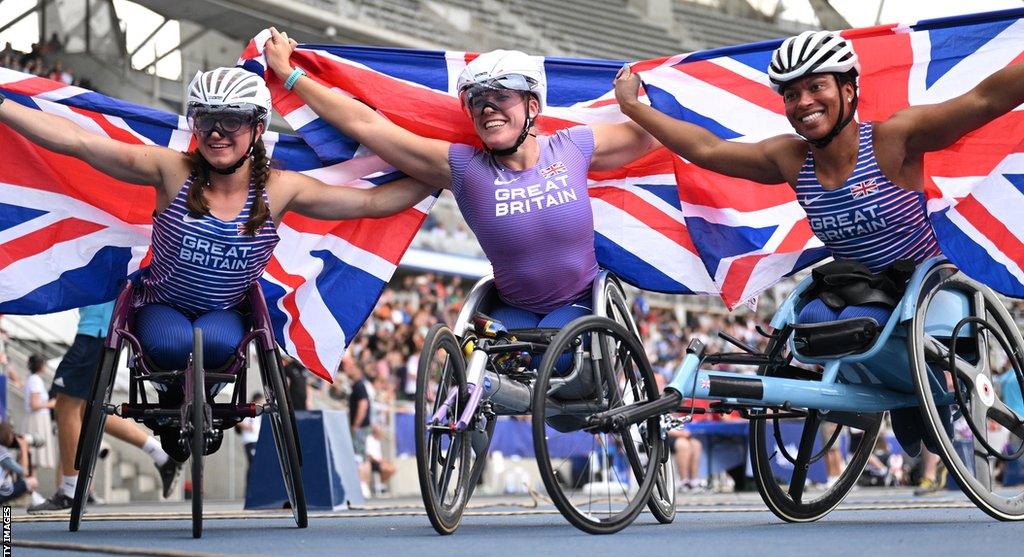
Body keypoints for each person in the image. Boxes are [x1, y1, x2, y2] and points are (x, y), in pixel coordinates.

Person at [0, 65, 435, 493]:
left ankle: (196, 396)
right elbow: (78, 142)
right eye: (206, 119)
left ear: (258, 127)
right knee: (175, 343)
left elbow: (373, 203)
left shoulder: (281, 189)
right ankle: (172, 392)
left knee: (212, 344)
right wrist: (3, 105)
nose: (216, 132)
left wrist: (440, 172)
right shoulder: (171, 170)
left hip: (225, 313)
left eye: (232, 121)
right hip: (160, 306)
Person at [614, 29, 1024, 460]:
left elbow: (984, 101)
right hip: (858, 285)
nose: (804, 102)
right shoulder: (791, 160)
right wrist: (632, 106)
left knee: (859, 322)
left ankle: (922, 395)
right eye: (791, 95)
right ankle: (904, 390)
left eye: (815, 87)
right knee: (809, 319)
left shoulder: (892, 139)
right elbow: (708, 149)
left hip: (920, 285)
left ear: (848, 90)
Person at [264, 30, 660, 357]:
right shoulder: (465, 168)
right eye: (477, 101)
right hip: (510, 311)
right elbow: (367, 126)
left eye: (501, 96)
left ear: (533, 105)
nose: (488, 108)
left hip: (579, 306)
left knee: (555, 352)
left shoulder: (573, 146)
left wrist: (632, 102)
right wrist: (290, 75)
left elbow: (653, 136)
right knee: (483, 374)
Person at [29, 302, 181, 512]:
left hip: (97, 330)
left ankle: (70, 491)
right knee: (88, 409)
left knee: (65, 405)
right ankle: (161, 455)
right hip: (108, 330)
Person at [23, 354, 55, 471]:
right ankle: (29, 485)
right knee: (33, 454)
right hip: (37, 420)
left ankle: (30, 485)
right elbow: (34, 404)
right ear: (41, 365)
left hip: (37, 418)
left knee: (33, 456)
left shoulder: (33, 379)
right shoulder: (35, 380)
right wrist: (51, 404)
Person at [236, 391, 263, 492]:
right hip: (249, 440)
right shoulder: (248, 411)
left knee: (256, 464)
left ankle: (255, 488)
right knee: (253, 464)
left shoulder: (259, 413)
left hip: (257, 440)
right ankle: (249, 489)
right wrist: (247, 427)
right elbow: (238, 422)